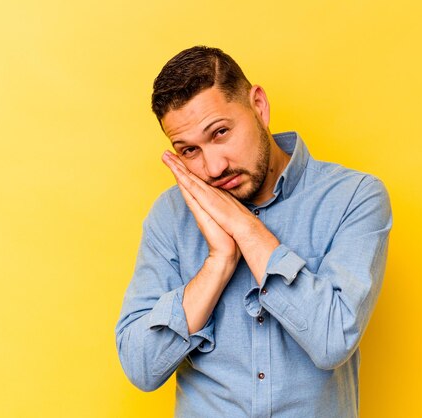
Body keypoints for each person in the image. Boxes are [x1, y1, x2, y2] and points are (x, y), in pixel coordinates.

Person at [115, 46, 392, 417]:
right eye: (188, 151)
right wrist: (219, 262)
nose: (213, 167)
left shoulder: (353, 198)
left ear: (258, 106)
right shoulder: (170, 217)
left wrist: (245, 229)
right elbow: (141, 368)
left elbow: (331, 340)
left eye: (221, 133)